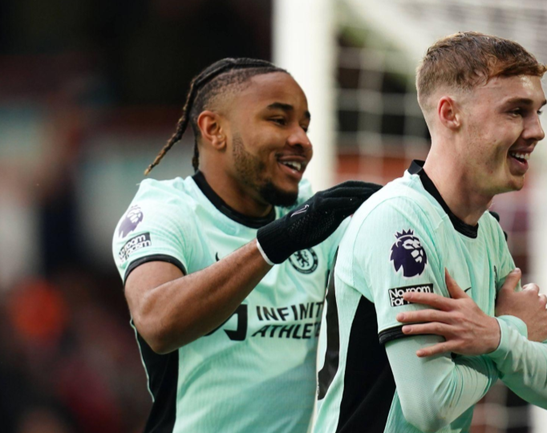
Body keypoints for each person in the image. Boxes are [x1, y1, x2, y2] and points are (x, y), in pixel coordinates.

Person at [313, 32, 547, 433]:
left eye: (538, 111)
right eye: (516, 111)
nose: (537, 130)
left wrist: (494, 336)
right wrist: (506, 336)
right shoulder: (399, 224)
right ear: (450, 113)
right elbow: (431, 405)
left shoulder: (488, 231)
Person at [111, 58, 380, 433]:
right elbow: (157, 322)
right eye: (278, 119)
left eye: (304, 125)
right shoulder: (165, 211)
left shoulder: (313, 218)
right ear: (214, 129)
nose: (302, 139)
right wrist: (274, 243)